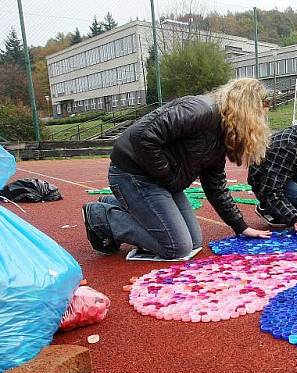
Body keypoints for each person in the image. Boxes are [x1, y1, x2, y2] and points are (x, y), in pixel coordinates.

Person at [81, 78, 272, 258]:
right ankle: (101, 218)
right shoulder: (199, 110)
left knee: (194, 241)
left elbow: (215, 187)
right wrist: (169, 178)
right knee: (176, 246)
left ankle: (119, 202)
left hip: (162, 179)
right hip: (133, 173)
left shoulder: (222, 131)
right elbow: (143, 137)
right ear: (248, 109)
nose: (261, 122)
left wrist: (241, 227)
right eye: (260, 115)